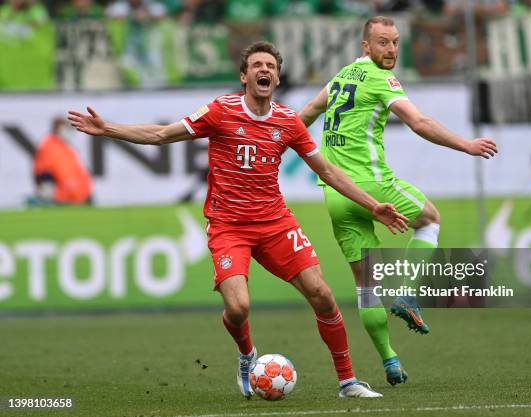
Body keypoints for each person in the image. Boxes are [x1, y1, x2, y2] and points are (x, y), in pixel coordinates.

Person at [68, 41, 410, 399]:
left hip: (275, 222)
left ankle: (348, 382)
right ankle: (247, 354)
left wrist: (373, 205)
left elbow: (327, 170)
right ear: (244, 76)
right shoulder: (220, 111)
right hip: (229, 226)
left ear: (276, 78)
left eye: (271, 66)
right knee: (238, 306)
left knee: (323, 294)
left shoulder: (287, 121)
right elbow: (161, 134)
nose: (265, 70)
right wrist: (109, 130)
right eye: (257, 65)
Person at [298, 16, 498, 386]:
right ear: (366, 47)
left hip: (336, 192)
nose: (391, 50)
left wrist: (273, 143)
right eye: (383, 43)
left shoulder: (342, 76)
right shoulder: (380, 78)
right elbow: (418, 122)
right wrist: (466, 144)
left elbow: (307, 113)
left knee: (367, 285)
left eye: (395, 42)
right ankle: (405, 293)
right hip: (371, 185)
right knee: (431, 219)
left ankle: (389, 360)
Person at [33, 116, 93, 205]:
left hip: (79, 195)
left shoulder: (66, 146)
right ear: (58, 129)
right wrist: (48, 196)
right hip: (62, 198)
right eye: (65, 128)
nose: (69, 131)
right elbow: (44, 172)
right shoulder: (48, 146)